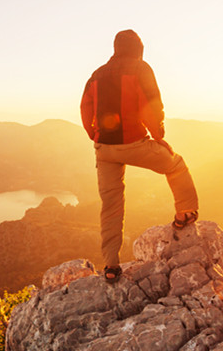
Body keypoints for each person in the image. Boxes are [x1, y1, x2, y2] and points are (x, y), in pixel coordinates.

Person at [80, 29, 199, 283]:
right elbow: (152, 104)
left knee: (111, 206)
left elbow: (85, 106)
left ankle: (111, 265)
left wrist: (95, 135)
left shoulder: (96, 74)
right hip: (133, 142)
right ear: (138, 48)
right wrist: (158, 136)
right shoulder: (140, 68)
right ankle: (185, 213)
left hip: (104, 150)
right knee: (175, 164)